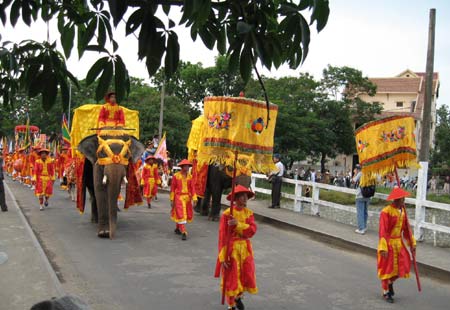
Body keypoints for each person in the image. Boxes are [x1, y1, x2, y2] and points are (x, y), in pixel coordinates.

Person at [215, 185, 258, 310]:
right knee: (232, 276)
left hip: (245, 249)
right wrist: (223, 256)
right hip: (231, 248)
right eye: (242, 196)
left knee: (245, 274)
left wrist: (238, 224)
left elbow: (251, 231)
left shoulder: (249, 214)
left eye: (246, 196)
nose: (245, 198)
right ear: (236, 198)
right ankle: (231, 304)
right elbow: (222, 236)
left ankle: (238, 297)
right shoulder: (227, 214)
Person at [377, 187, 416, 303]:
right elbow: (382, 231)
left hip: (399, 243)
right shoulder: (386, 211)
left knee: (402, 265)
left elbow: (407, 229)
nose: (404, 201)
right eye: (402, 199)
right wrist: (383, 247)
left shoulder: (403, 212)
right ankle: (386, 292)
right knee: (387, 268)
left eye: (404, 199)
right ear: (396, 200)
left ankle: (390, 283)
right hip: (388, 243)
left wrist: (412, 243)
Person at [170, 159, 197, 240]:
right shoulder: (176, 176)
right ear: (182, 167)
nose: (187, 167)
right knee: (181, 213)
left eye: (188, 166)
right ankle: (184, 231)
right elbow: (172, 188)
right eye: (186, 166)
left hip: (187, 198)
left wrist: (194, 198)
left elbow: (192, 188)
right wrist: (172, 199)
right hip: (178, 197)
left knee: (182, 214)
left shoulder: (190, 177)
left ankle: (177, 228)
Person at [352, 164, 370, 234]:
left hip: (360, 195)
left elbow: (353, 181)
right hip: (368, 195)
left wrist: (355, 173)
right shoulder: (370, 173)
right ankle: (364, 227)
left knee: (360, 212)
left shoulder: (360, 173)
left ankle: (361, 229)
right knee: (365, 212)